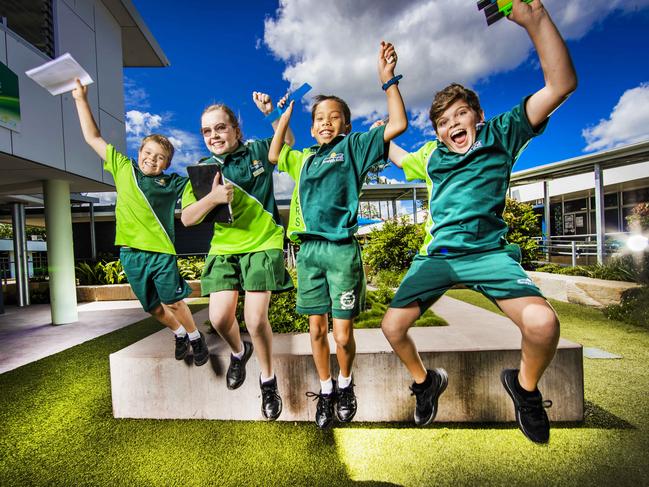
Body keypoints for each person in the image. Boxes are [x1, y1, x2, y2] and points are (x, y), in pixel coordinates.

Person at [380, 0, 577, 443]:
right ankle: (425, 383)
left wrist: (535, 19)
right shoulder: (431, 157)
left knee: (544, 324)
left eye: (460, 115)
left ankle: (523, 389)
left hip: (489, 253)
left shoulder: (501, 134)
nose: (453, 125)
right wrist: (385, 109)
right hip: (439, 256)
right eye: (444, 122)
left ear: (477, 116)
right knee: (393, 327)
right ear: (436, 133)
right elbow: (398, 153)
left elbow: (562, 83)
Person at [268, 41, 408, 428]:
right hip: (310, 254)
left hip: (341, 253)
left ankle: (346, 383)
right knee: (315, 328)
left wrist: (388, 80)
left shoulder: (354, 148)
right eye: (319, 118)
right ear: (312, 127)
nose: (325, 122)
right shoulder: (305, 158)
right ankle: (326, 390)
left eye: (334, 117)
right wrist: (285, 117)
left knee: (342, 335)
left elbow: (397, 124)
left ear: (345, 125)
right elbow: (275, 155)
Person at [72, 79, 209, 365]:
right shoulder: (123, 168)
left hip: (160, 252)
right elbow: (92, 138)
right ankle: (179, 333)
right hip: (130, 253)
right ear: (139, 153)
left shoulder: (173, 182)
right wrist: (80, 99)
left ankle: (196, 339)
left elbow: (199, 193)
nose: (152, 160)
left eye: (159, 158)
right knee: (152, 308)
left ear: (167, 164)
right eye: (148, 153)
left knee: (173, 301)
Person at [180, 92, 294, 421]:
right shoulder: (202, 170)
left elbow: (286, 141)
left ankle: (268, 380)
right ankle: (238, 352)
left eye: (221, 128)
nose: (214, 136)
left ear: (236, 130)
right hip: (224, 249)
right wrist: (213, 198)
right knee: (218, 319)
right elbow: (188, 218)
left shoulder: (258, 150)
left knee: (256, 319)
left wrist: (273, 114)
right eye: (207, 131)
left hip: (262, 242)